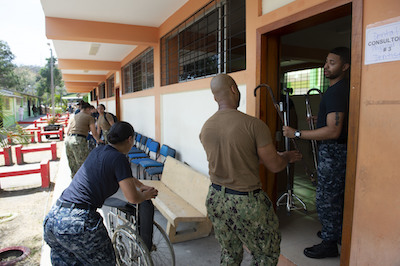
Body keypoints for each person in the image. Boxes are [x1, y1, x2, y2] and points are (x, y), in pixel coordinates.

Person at [200, 74, 302, 265]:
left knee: (230, 253)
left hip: (215, 198)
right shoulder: (253, 125)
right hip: (246, 202)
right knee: (265, 255)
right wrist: (286, 156)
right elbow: (275, 165)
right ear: (233, 89)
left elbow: (237, 158)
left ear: (215, 98)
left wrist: (269, 155)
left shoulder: (206, 127)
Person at [43, 121, 158, 265]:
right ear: (130, 139)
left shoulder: (100, 150)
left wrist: (141, 185)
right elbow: (133, 198)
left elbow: (125, 177)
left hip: (54, 218)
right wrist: (148, 194)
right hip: (78, 223)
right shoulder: (119, 158)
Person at [283, 47, 350, 259]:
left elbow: (333, 130)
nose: (326, 67)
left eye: (332, 63)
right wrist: (318, 121)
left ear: (345, 66)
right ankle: (335, 232)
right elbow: (333, 121)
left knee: (326, 198)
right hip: (337, 151)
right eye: (326, 62)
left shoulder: (338, 91)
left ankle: (329, 243)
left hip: (335, 152)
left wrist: (298, 133)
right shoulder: (339, 90)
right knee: (335, 196)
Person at [65, 101, 103, 177]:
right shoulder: (89, 117)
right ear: (88, 109)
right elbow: (94, 132)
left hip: (68, 140)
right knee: (84, 164)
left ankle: (75, 183)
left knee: (73, 165)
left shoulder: (75, 117)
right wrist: (99, 140)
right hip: (78, 141)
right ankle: (85, 183)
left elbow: (67, 131)